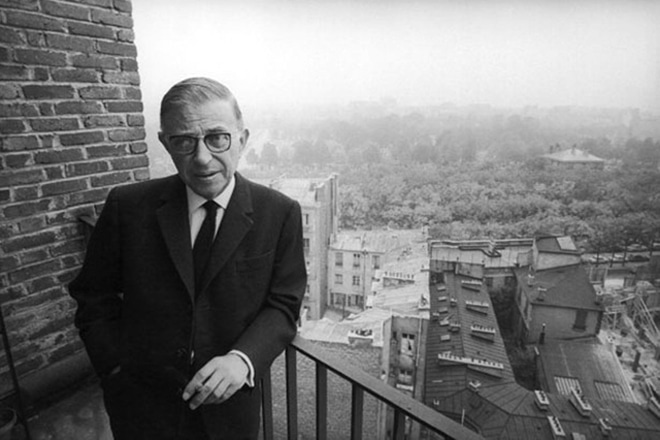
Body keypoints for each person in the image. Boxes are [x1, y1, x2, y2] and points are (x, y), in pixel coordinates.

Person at [69, 77, 307, 439]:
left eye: (217, 137)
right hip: (141, 410)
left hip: (229, 413)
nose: (202, 158)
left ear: (242, 139)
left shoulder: (280, 212)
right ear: (165, 143)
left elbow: (284, 304)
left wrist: (242, 360)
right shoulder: (127, 206)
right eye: (184, 141)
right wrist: (115, 370)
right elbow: (93, 295)